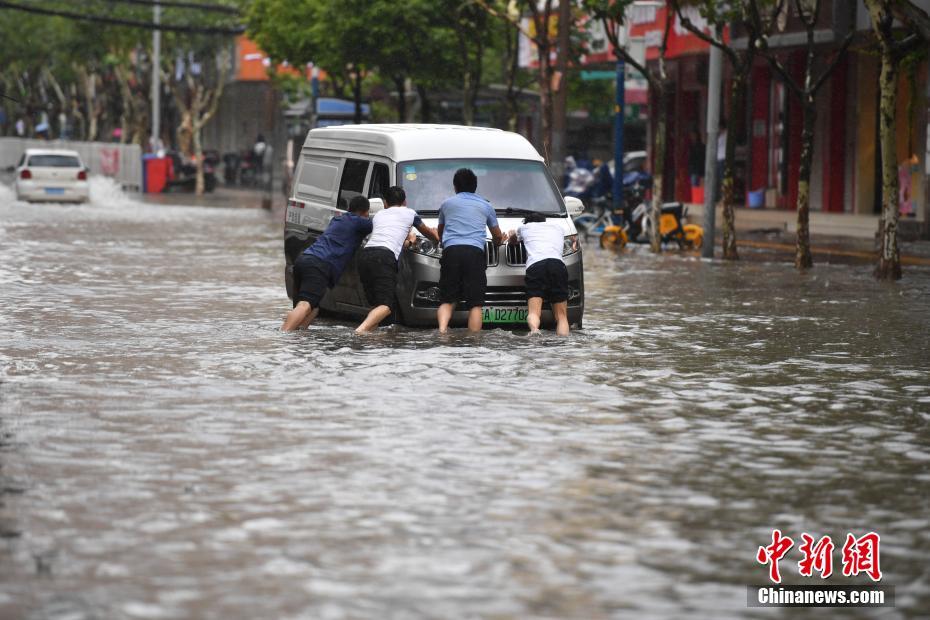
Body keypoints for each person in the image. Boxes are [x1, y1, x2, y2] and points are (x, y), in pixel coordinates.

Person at [282, 195, 373, 332]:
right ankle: (283, 335)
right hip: (319, 264)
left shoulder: (337, 219)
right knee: (305, 306)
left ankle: (298, 336)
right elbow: (383, 223)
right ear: (365, 212)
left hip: (304, 259)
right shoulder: (360, 222)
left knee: (314, 308)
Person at [355, 186, 439, 334]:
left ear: (385, 203)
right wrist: (436, 237)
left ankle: (370, 343)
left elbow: (391, 237)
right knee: (386, 306)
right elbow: (428, 234)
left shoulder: (379, 215)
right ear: (405, 202)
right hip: (384, 258)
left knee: (376, 305)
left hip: (365, 256)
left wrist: (410, 241)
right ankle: (360, 332)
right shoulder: (410, 213)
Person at [436, 168, 505, 334]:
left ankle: (442, 331)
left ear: (455, 186)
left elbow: (441, 232)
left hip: (451, 251)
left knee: (447, 299)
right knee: (475, 304)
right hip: (474, 253)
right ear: (475, 186)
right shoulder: (486, 205)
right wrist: (499, 241)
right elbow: (496, 235)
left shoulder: (446, 204)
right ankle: (474, 341)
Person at [507, 212, 570, 336]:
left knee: (534, 312)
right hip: (557, 265)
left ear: (527, 222)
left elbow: (513, 241)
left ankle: (535, 330)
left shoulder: (524, 228)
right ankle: (563, 343)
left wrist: (511, 235)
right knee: (562, 317)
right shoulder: (558, 228)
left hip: (536, 266)